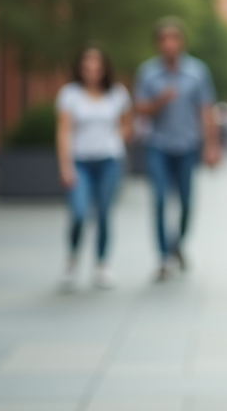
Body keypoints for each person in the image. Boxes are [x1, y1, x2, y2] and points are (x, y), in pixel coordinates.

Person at [134, 18, 219, 281]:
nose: (169, 44)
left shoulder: (197, 72)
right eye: (164, 40)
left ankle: (177, 244)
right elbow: (139, 109)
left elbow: (206, 111)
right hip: (158, 144)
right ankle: (163, 256)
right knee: (159, 199)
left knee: (185, 202)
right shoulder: (147, 73)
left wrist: (212, 146)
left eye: (174, 39)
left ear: (181, 42)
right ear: (158, 44)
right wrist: (160, 101)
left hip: (188, 145)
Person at [55, 45, 132, 291]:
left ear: (104, 68)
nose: (92, 69)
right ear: (80, 67)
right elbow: (64, 132)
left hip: (109, 161)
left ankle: (102, 264)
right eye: (87, 64)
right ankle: (72, 259)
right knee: (78, 214)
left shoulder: (117, 94)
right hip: (80, 162)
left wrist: (118, 141)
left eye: (96, 64)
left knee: (103, 214)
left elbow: (127, 123)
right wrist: (65, 166)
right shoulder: (70, 95)